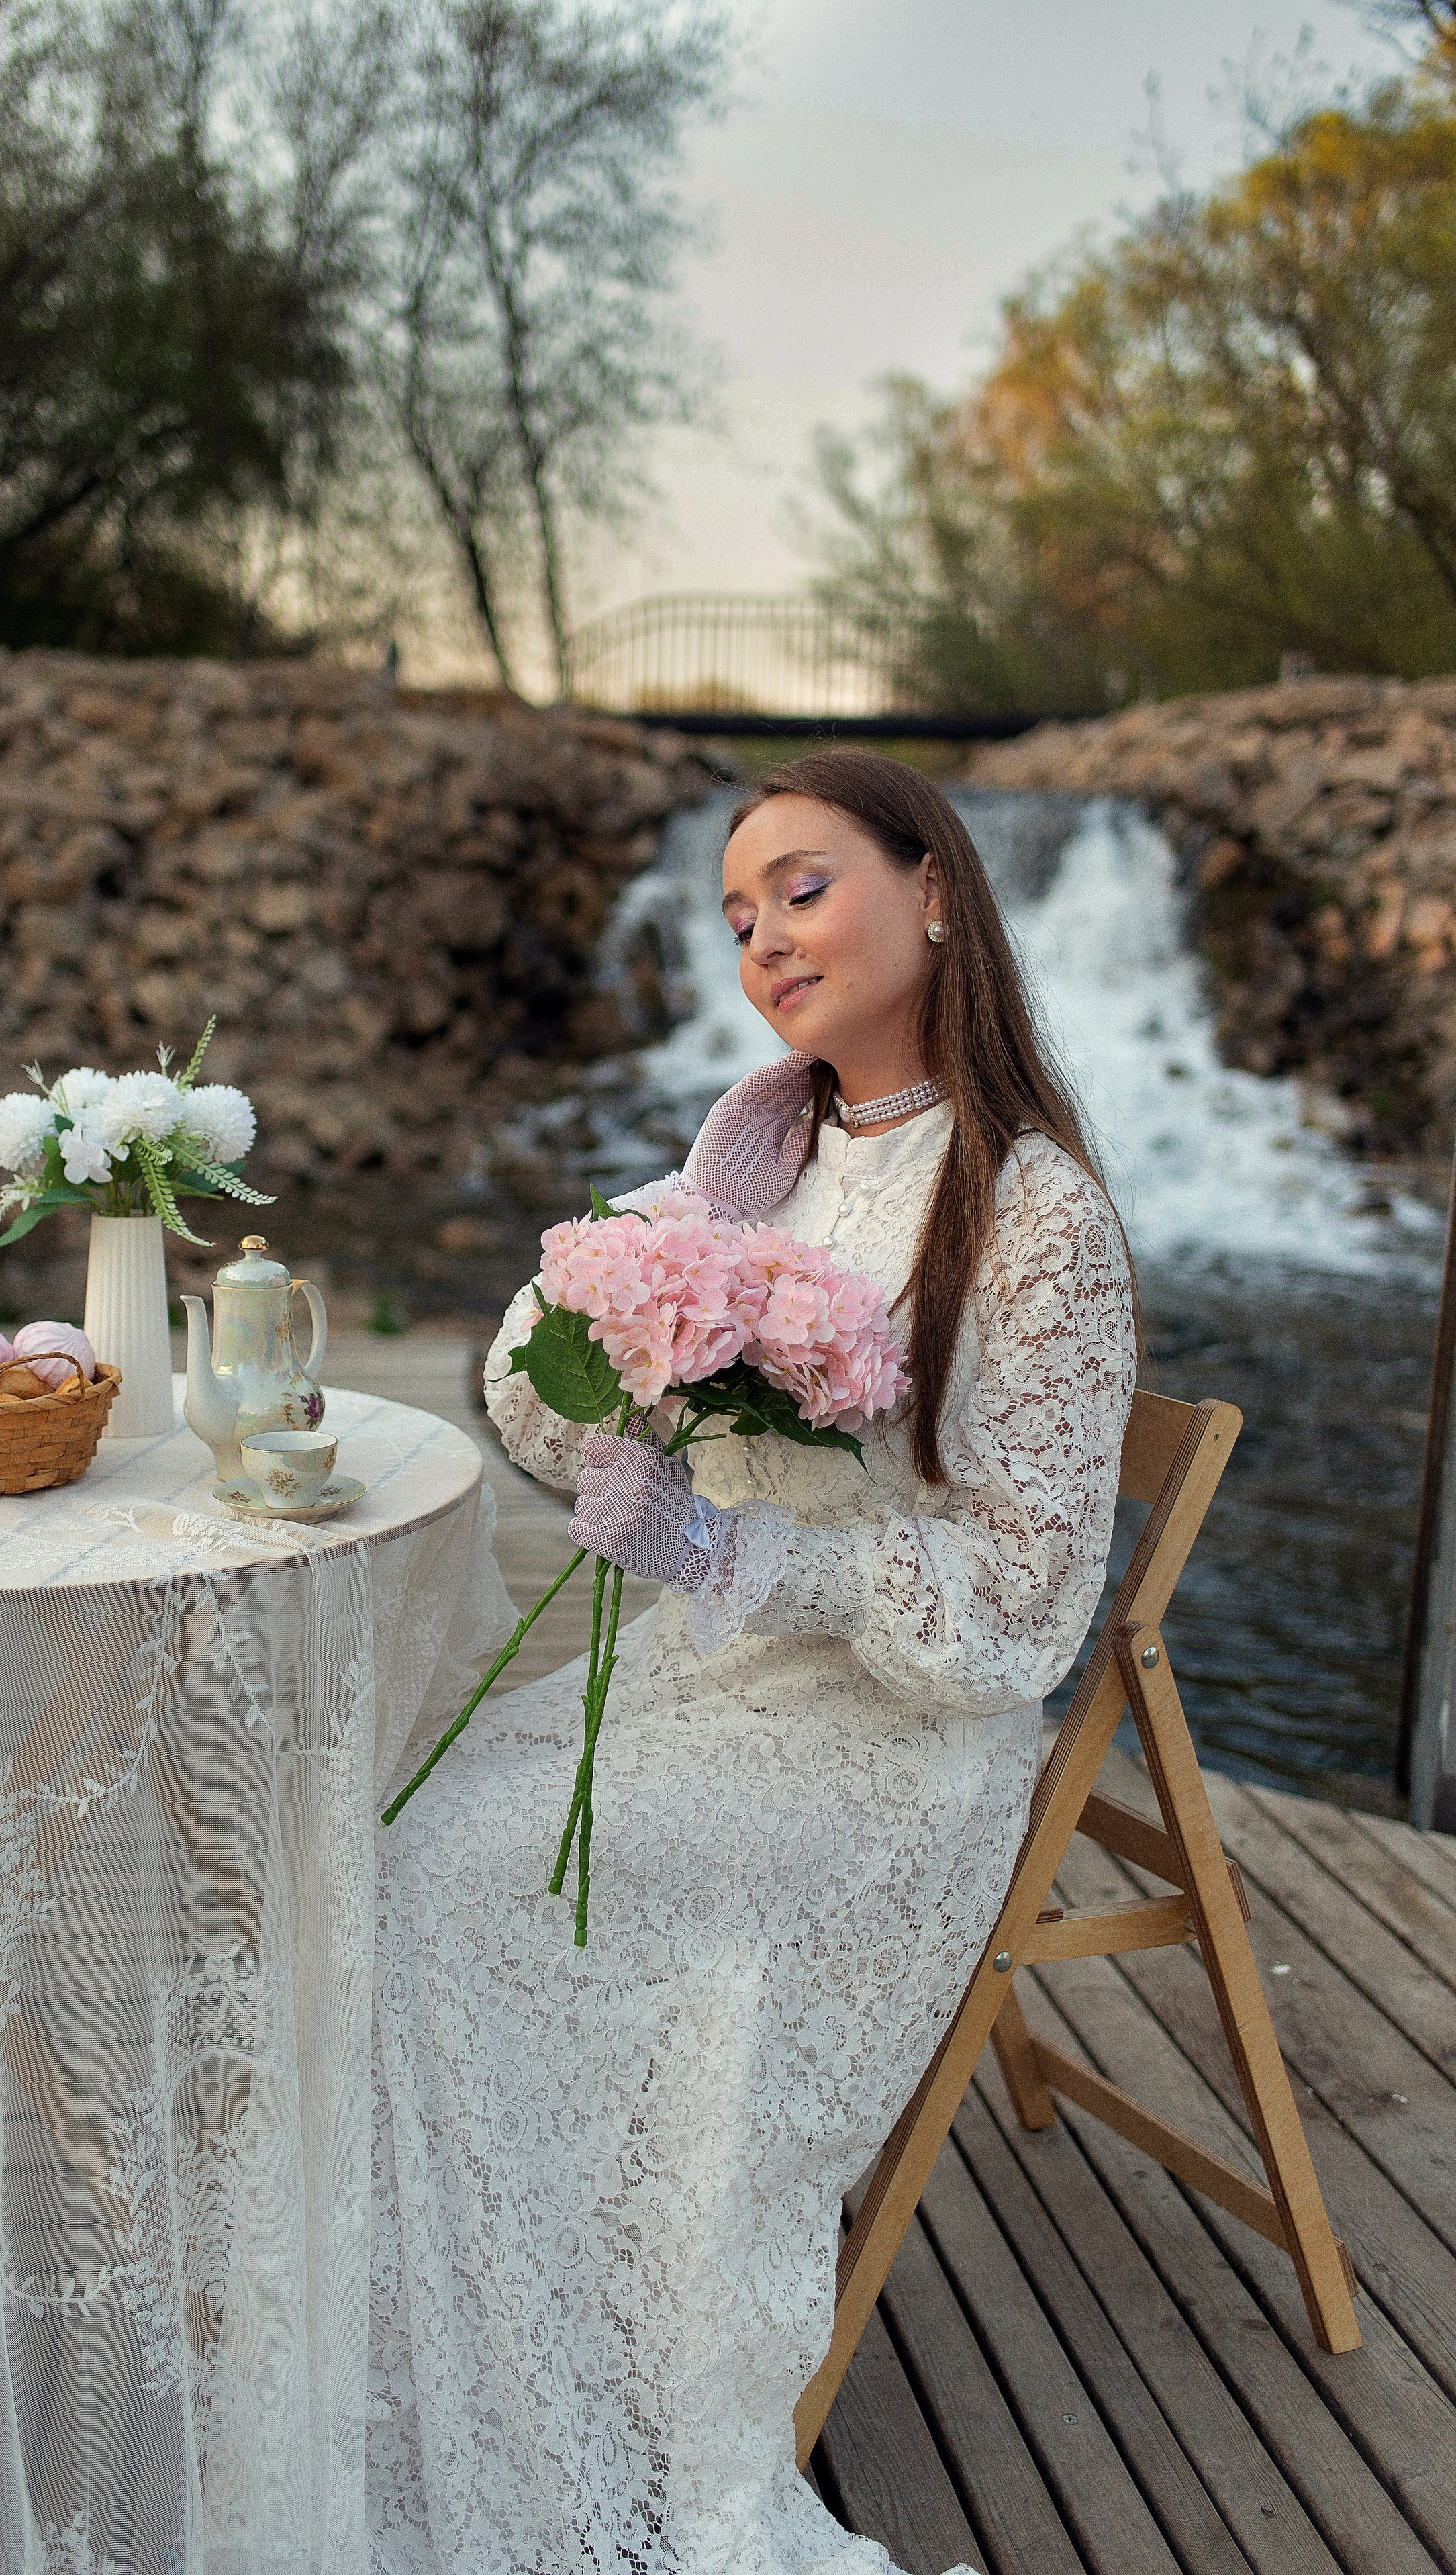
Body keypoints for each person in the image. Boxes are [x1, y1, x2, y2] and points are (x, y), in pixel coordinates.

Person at [368, 751, 1136, 2575]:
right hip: (716, 1685)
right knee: (399, 1816)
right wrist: (633, 1316)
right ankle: (477, 2341)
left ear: (935, 884)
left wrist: (739, 1549)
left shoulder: (1039, 1216)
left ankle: (579, 2394)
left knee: (447, 1873)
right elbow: (515, 1391)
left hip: (895, 1750)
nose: (763, 939)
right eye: (735, 917)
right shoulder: (763, 1151)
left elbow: (1025, 1617)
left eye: (801, 887)